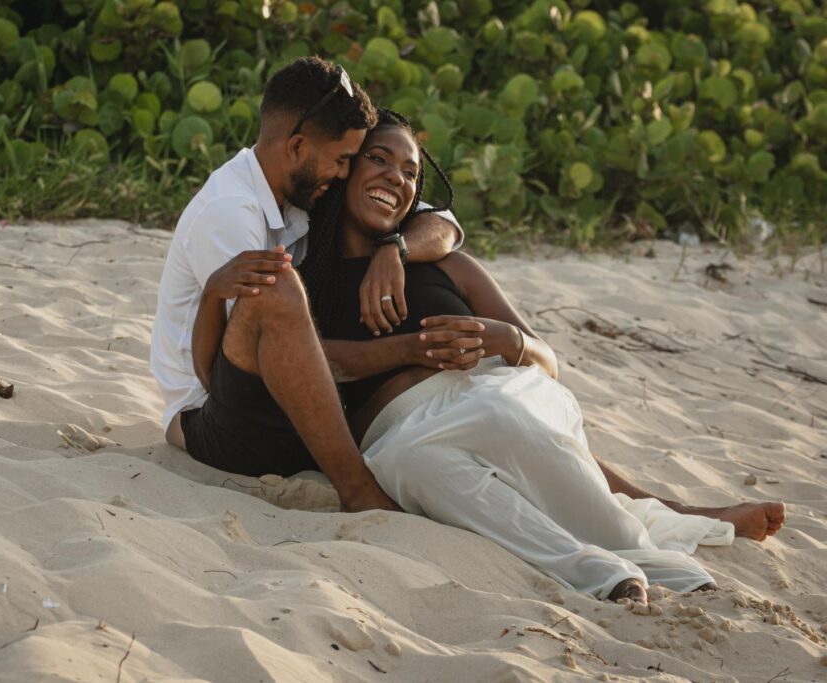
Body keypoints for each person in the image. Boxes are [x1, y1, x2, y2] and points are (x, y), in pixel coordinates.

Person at [291, 109, 787, 602]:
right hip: (395, 432)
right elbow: (313, 358)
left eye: (410, 172)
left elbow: (547, 362)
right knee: (406, 463)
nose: (394, 177)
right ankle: (594, 568)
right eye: (378, 159)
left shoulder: (449, 265)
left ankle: (640, 553)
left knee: (499, 413)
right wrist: (410, 348)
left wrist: (505, 341)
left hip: (490, 393)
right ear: (346, 168)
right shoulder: (311, 275)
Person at [151, 57, 464, 513]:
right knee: (277, 285)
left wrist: (393, 249)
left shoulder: (301, 189)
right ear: (297, 146)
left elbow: (443, 223)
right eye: (341, 160)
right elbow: (222, 368)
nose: (344, 173)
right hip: (216, 421)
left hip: (288, 410)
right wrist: (413, 347)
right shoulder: (230, 213)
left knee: (433, 385)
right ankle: (357, 488)